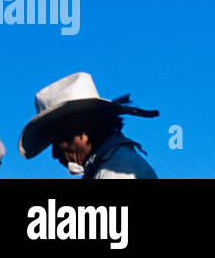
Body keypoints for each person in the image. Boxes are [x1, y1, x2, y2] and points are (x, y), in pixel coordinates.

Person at [17, 72, 158, 179]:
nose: (54, 154)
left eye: (57, 140)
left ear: (78, 128)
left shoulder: (116, 171)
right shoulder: (111, 166)